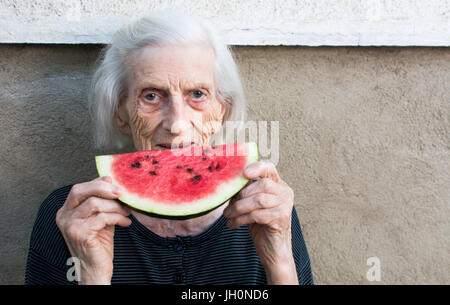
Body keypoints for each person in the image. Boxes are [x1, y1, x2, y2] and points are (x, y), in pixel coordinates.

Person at [25, 11, 313, 285]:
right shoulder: (73, 217)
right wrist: (93, 275)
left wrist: (280, 263)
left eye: (197, 94)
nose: (176, 123)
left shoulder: (265, 206)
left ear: (220, 113)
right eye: (151, 96)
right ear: (120, 114)